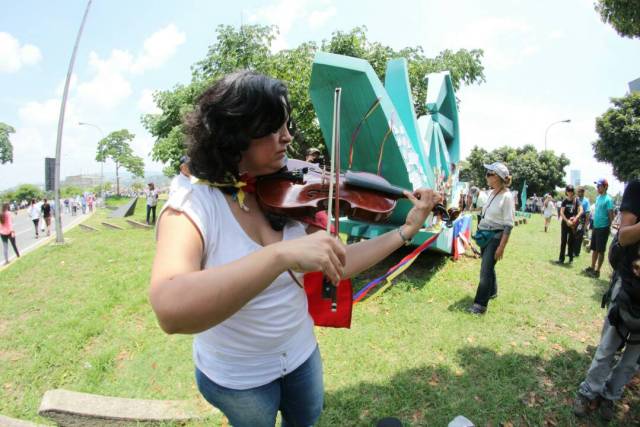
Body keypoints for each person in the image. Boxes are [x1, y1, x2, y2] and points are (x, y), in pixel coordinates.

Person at [149, 71, 441, 427]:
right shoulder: (192, 203)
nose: (287, 138)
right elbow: (170, 307)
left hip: (301, 355)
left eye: (287, 124)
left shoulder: (284, 188)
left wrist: (406, 231)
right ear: (234, 135)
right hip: (240, 378)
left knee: (307, 420)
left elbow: (340, 263)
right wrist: (280, 255)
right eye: (273, 128)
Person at [573, 179, 640, 421]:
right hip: (629, 284)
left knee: (633, 357)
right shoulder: (636, 188)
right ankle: (589, 391)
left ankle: (611, 396)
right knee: (609, 345)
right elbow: (624, 236)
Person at [468, 162, 514, 315]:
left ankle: (480, 305)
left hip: (495, 237)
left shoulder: (507, 197)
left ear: (498, 177)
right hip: (485, 235)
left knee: (485, 270)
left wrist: (501, 247)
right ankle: (492, 291)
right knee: (488, 266)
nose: (486, 176)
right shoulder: (491, 192)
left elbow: (508, 225)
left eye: (489, 173)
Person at [584, 178, 614, 278]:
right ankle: (592, 267)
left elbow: (611, 215)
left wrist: (609, 227)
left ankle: (597, 271)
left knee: (601, 250)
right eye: (597, 186)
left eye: (599, 186)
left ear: (605, 187)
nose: (598, 187)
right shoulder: (598, 198)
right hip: (596, 227)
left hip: (603, 228)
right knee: (594, 249)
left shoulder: (608, 199)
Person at [556, 185, 582, 265]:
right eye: (568, 191)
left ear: (573, 191)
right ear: (566, 192)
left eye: (571, 191)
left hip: (573, 224)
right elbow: (561, 212)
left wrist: (576, 218)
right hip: (565, 223)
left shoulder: (576, 200)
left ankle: (571, 258)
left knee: (571, 241)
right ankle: (561, 258)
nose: (570, 193)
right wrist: (567, 221)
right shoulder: (565, 201)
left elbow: (581, 210)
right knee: (563, 240)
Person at [574, 187, 591, 257]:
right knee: (573, 235)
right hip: (575, 220)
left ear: (583, 192)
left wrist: (586, 225)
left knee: (578, 237)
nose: (579, 193)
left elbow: (587, 214)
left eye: (580, 192)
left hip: (582, 221)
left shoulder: (586, 201)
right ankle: (571, 250)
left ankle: (576, 252)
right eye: (578, 192)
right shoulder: (575, 199)